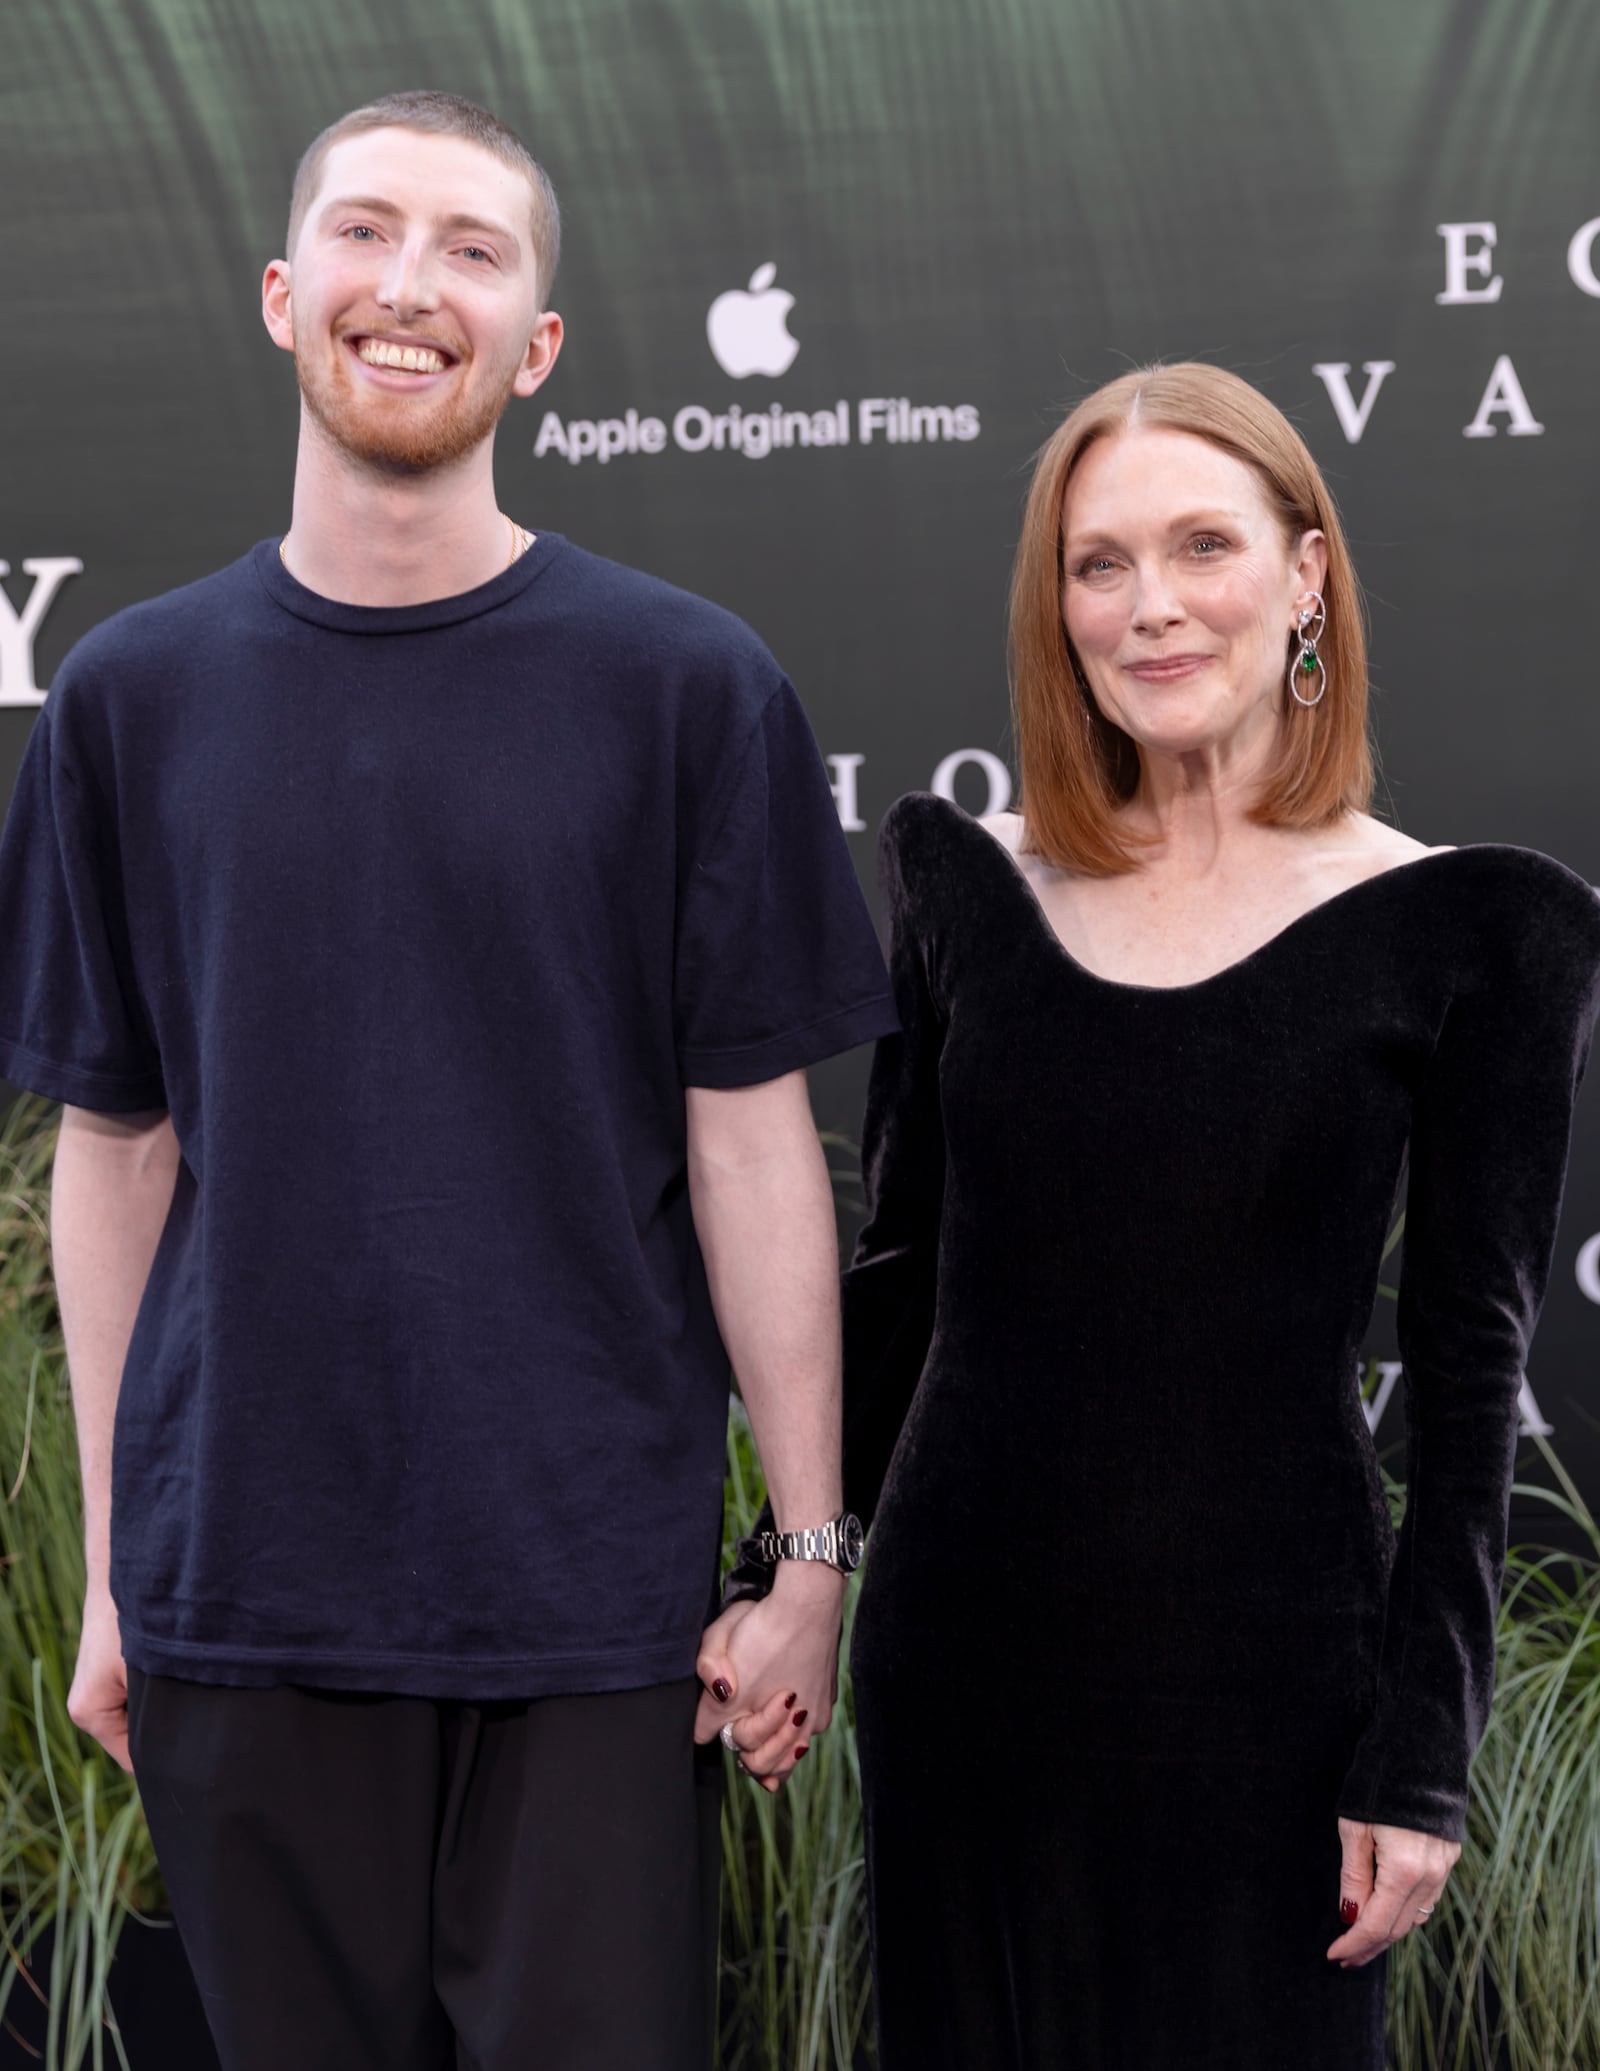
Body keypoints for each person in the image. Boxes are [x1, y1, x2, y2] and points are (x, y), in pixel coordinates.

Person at [0, 90, 892, 2071]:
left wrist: (812, 1560)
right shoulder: (128, 701)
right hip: (242, 1595)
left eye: (473, 251)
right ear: (280, 291)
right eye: (367, 234)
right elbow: (115, 1148)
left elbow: (753, 1150)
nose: (411, 287)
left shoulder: (685, 686)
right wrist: (114, 1576)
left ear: (537, 341)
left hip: (588, 1608)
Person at [727, 361, 1600, 2066]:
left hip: (1277, 1692)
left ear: (1304, 576)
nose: (1150, 607)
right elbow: (901, 1275)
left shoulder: (1466, 930)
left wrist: (1422, 1755)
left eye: (1203, 546)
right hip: (966, 1665)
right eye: (1098, 562)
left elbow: (1476, 1367)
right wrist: (798, 1576)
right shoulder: (967, 885)